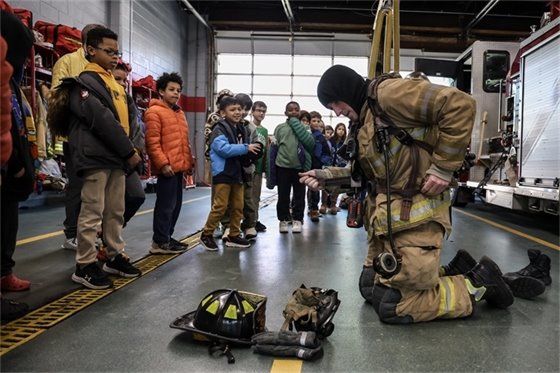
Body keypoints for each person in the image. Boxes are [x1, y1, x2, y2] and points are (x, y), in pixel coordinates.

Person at [300, 64, 516, 323]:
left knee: (395, 307)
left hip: (416, 214)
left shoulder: (389, 95)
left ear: (345, 90)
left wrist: (443, 168)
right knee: (370, 288)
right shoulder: (366, 116)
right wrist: (324, 177)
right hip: (387, 221)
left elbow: (460, 104)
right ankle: (450, 271)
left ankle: (479, 283)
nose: (336, 111)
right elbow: (367, 175)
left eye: (335, 102)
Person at [51, 27, 143, 289]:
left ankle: (113, 256)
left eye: (117, 52)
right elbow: (101, 120)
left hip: (116, 158)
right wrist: (129, 151)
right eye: (108, 51)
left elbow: (130, 120)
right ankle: (84, 263)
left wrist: (130, 150)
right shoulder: (83, 83)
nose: (115, 57)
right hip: (96, 157)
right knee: (92, 211)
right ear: (91, 50)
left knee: (115, 211)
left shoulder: (116, 85)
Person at [51, 23, 105, 251]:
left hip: (100, 138)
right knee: (77, 185)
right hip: (75, 137)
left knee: (97, 188)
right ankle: (72, 233)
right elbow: (56, 98)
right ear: (89, 44)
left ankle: (91, 231)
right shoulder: (67, 62)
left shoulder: (102, 67)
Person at [1, 10, 34, 321]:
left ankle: (3, 272)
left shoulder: (12, 85)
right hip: (5, 160)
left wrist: (19, 160)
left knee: (7, 222)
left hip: (10, 160)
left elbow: (16, 124)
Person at [199, 96, 262, 251]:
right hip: (224, 173)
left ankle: (234, 234)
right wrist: (246, 148)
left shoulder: (241, 128)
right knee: (220, 205)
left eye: (239, 109)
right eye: (232, 109)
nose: (237, 112)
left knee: (238, 206)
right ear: (222, 112)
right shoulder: (219, 128)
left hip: (237, 173)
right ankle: (206, 234)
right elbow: (223, 149)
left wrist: (253, 151)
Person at [144, 72, 194, 254]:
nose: (176, 93)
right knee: (165, 206)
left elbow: (184, 142)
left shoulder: (179, 114)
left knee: (176, 205)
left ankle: (166, 236)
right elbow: (152, 142)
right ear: (161, 91)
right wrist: (163, 164)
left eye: (178, 90)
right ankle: (158, 242)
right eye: (171, 89)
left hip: (179, 167)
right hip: (167, 168)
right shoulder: (154, 112)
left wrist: (188, 163)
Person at [112, 60, 146, 228]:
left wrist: (137, 151)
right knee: (108, 204)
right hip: (110, 159)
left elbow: (137, 128)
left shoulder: (129, 102)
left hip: (129, 158)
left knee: (137, 196)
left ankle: (113, 229)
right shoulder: (104, 100)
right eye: (117, 79)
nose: (122, 84)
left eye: (124, 80)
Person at [272, 101, 314, 233]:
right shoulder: (280, 128)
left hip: (299, 168)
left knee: (299, 196)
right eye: (291, 110)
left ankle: (297, 219)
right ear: (286, 113)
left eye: (296, 109)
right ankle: (283, 220)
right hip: (282, 167)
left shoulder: (305, 128)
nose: (294, 112)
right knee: (283, 196)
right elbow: (275, 148)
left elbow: (310, 144)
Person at [307, 111, 332, 223]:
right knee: (302, 189)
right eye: (314, 121)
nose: (316, 123)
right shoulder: (305, 135)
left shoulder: (321, 138)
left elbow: (327, 153)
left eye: (318, 121)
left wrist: (321, 161)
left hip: (316, 167)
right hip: (305, 166)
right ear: (309, 122)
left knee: (315, 188)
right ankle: (305, 208)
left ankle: (314, 209)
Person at [250, 100, 269, 232]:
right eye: (259, 110)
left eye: (263, 111)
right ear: (252, 112)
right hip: (247, 168)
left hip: (258, 169)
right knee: (244, 197)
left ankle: (254, 220)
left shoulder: (264, 130)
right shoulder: (247, 127)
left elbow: (266, 150)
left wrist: (266, 169)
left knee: (256, 196)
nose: (261, 113)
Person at [326, 122, 348, 214]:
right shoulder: (331, 140)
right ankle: (326, 204)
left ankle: (333, 205)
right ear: (336, 130)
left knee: (338, 186)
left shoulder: (345, 142)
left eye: (343, 129)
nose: (341, 131)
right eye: (339, 129)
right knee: (328, 186)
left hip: (342, 166)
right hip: (332, 165)